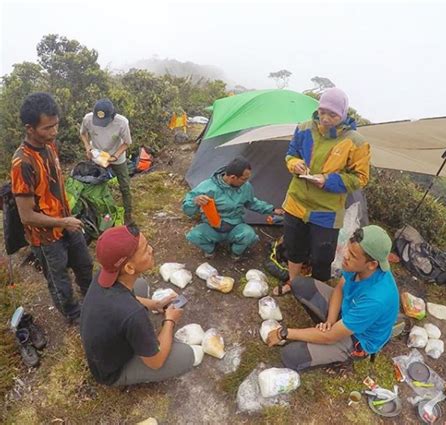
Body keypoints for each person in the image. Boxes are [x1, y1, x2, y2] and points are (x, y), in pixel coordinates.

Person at [276, 87, 370, 295]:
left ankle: (316, 292)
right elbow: (290, 154)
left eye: (332, 114)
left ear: (343, 114)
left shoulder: (356, 142)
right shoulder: (303, 129)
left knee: (322, 256)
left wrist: (328, 180)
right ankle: (293, 282)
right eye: (322, 112)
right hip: (296, 202)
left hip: (327, 210)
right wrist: (295, 164)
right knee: (294, 247)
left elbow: (360, 178)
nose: (326, 118)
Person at [267, 225, 400, 371]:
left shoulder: (376, 299)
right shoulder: (356, 266)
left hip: (357, 337)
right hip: (347, 311)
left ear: (372, 265)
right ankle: (328, 327)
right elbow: (339, 289)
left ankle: (347, 354)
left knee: (290, 356)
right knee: (299, 284)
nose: (345, 255)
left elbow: (330, 337)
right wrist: (330, 321)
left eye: (353, 255)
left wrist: (284, 333)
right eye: (348, 249)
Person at [11, 92, 93, 324]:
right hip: (46, 237)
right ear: (29, 128)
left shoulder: (49, 146)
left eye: (56, 125)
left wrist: (67, 219)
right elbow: (26, 216)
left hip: (67, 223)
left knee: (85, 265)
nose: (54, 132)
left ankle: (94, 303)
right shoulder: (22, 163)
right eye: (47, 128)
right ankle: (74, 317)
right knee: (60, 281)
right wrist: (63, 222)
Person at [80, 224, 195, 386]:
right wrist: (170, 321)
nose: (151, 249)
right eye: (145, 249)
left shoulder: (104, 275)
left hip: (101, 349)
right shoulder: (133, 314)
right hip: (111, 372)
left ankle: (138, 334)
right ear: (129, 267)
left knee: (139, 284)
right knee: (187, 356)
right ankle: (123, 376)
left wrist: (155, 305)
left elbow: (125, 299)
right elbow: (155, 362)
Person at [182, 157, 284, 260]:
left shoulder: (245, 187)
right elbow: (187, 210)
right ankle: (210, 249)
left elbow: (252, 203)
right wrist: (195, 202)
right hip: (212, 227)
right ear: (233, 177)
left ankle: (235, 253)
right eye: (244, 179)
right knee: (194, 236)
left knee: (249, 236)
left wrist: (272, 210)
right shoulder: (208, 186)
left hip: (235, 227)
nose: (246, 181)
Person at [80, 99, 133, 223]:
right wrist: (88, 147)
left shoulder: (122, 122)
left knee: (125, 186)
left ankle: (128, 214)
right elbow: (83, 133)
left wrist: (114, 157)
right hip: (98, 156)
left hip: (117, 157)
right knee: (96, 184)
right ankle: (99, 211)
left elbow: (127, 143)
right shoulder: (88, 119)